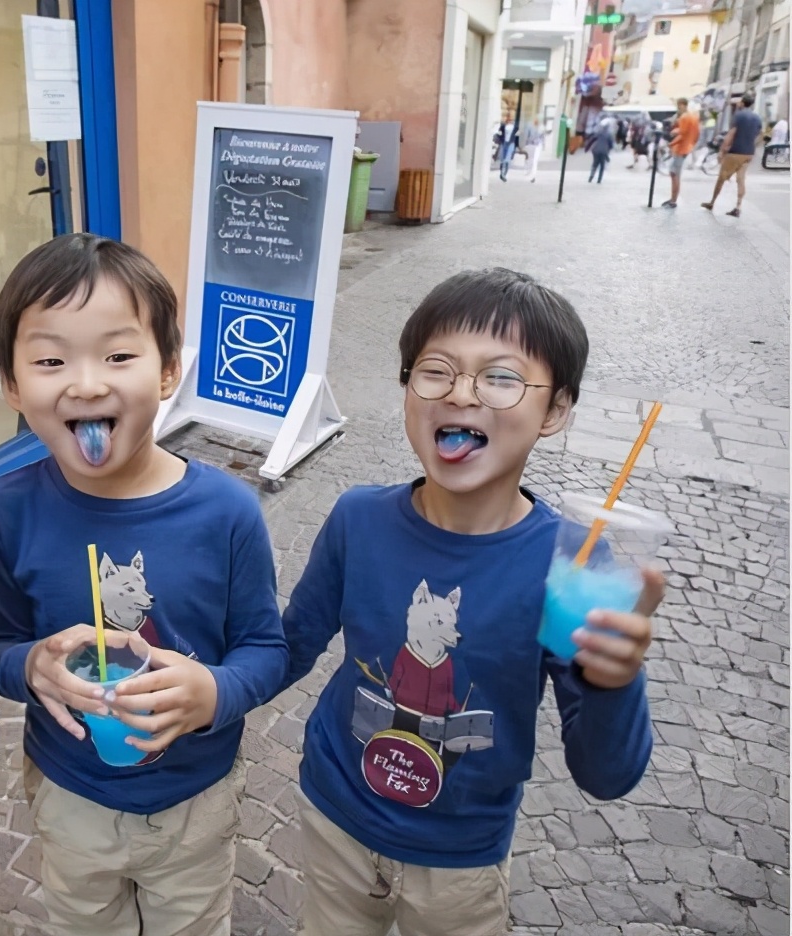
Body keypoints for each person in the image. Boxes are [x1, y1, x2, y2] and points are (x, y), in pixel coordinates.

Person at [281, 268, 664, 936]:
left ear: (555, 411)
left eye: (501, 377)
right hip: (336, 815)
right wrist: (210, 685)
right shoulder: (357, 520)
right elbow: (287, 646)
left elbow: (606, 775)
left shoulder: (571, 566)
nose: (463, 393)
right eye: (437, 371)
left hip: (461, 863)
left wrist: (613, 682)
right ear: (406, 388)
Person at [0, 233, 288, 936]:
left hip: (195, 799)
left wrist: (212, 692)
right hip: (70, 793)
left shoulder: (227, 511)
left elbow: (265, 649)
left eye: (119, 356)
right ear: (12, 385)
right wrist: (28, 666)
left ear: (170, 368)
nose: (86, 383)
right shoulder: (9, 508)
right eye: (51, 360)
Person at [702, 93, 764, 217]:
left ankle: (712, 202)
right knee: (741, 180)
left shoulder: (738, 115)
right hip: (748, 153)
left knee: (721, 178)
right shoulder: (757, 117)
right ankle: (738, 207)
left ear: (742, 103)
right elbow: (760, 135)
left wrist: (722, 150)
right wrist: (751, 144)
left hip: (735, 152)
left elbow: (731, 134)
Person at [662, 98, 700, 208]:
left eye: (678, 105)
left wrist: (671, 144)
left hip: (680, 148)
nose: (677, 108)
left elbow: (682, 135)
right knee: (674, 173)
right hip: (687, 147)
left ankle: (673, 200)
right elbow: (696, 133)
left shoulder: (684, 117)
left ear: (682, 105)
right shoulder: (693, 116)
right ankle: (673, 199)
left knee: (674, 174)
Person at [585, 119, 614, 183]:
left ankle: (591, 177)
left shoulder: (598, 132)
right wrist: (609, 149)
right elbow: (611, 144)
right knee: (602, 165)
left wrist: (587, 148)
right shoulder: (609, 134)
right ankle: (599, 179)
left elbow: (591, 140)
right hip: (603, 151)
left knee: (595, 163)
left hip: (596, 150)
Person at [494, 114, 519, 182]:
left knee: (507, 159)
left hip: (511, 144)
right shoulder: (503, 126)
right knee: (503, 159)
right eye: (508, 118)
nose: (509, 120)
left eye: (511, 119)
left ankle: (504, 174)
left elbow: (517, 137)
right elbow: (498, 133)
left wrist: (517, 146)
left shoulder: (516, 127)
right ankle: (502, 173)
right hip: (504, 143)